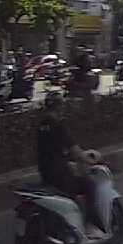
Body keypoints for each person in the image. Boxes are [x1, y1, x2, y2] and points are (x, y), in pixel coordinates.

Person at [36, 93, 101, 228]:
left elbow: (51, 149)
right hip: (60, 173)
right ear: (60, 107)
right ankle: (91, 224)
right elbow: (74, 150)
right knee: (89, 185)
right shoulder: (58, 125)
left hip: (45, 171)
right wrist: (89, 160)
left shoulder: (41, 125)